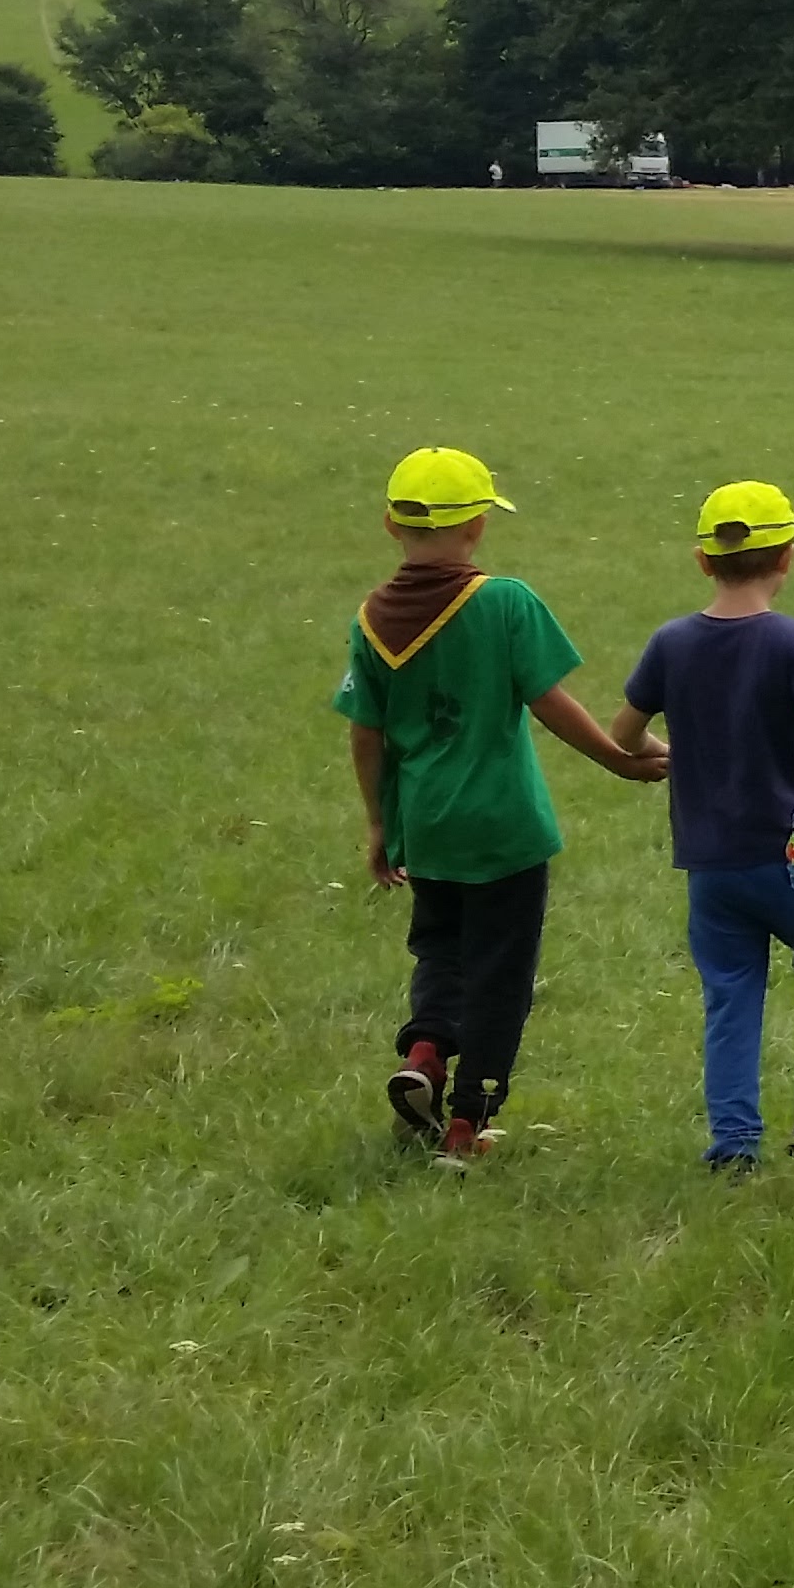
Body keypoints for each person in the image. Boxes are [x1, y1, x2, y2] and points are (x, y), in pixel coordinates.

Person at [335, 447, 663, 1167]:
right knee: (500, 975)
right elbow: (550, 702)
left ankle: (425, 1053)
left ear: (391, 524)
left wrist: (380, 822)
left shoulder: (370, 620)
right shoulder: (505, 601)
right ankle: (466, 1126)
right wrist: (619, 758)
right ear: (477, 525)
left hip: (427, 826)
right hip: (506, 830)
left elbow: (366, 732)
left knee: (441, 950)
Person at [609, 481, 794, 1176]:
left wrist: (660, 753)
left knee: (730, 993)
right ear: (787, 558)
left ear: (703, 561)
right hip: (792, 856)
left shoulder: (671, 643)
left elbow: (623, 734)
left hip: (711, 861)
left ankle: (733, 1145)